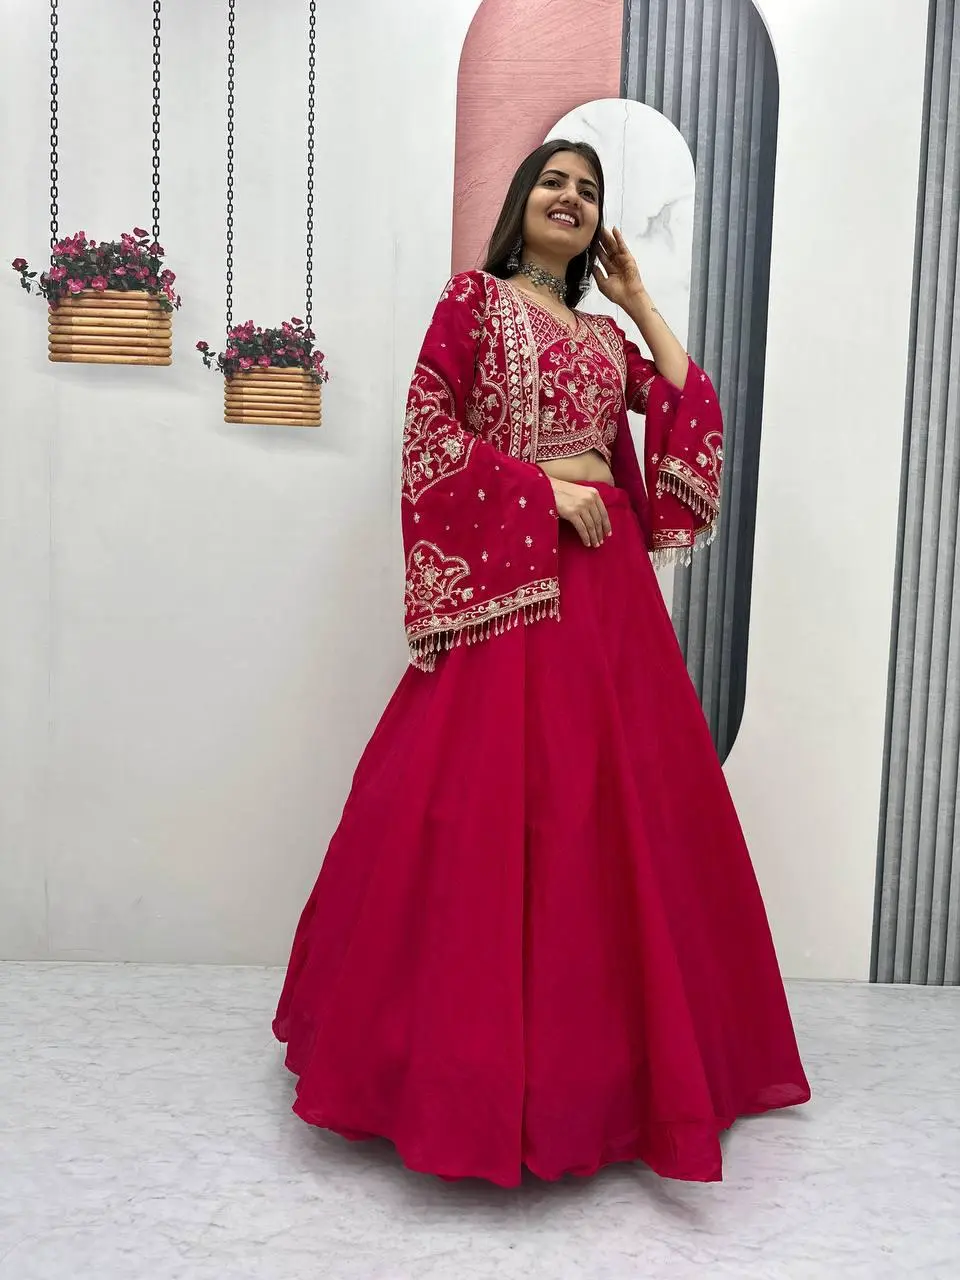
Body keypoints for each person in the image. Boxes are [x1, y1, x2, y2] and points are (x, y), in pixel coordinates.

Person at [273, 140, 810, 1186]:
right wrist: (541, 493)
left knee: (615, 816)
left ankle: (609, 1080)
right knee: (487, 813)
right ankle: (458, 1076)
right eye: (554, 182)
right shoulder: (473, 303)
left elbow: (688, 402)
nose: (570, 198)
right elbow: (428, 431)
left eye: (589, 190)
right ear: (522, 203)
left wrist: (640, 300)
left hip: (607, 593)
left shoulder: (608, 338)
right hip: (515, 581)